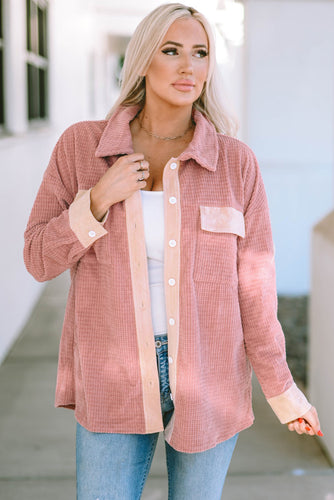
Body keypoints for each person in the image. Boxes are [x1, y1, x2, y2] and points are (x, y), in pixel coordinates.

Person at [24, 3, 322, 499]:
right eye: (171, 51)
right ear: (143, 60)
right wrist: (96, 200)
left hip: (212, 374)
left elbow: (254, 287)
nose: (188, 67)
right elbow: (37, 258)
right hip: (112, 373)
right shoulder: (82, 148)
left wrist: (280, 388)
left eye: (200, 53)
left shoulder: (234, 164)